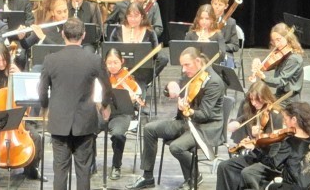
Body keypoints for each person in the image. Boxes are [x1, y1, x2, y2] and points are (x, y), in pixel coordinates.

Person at [126, 47, 225, 190]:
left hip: (206, 127)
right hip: (186, 122)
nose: (184, 69)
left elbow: (205, 114)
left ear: (198, 61)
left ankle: (195, 175)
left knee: (176, 147)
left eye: (187, 65)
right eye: (182, 65)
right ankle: (148, 177)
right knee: (149, 129)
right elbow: (174, 90)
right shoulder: (189, 75)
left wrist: (188, 110)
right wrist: (170, 87)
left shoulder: (213, 82)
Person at [40, 17, 111, 190]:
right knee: (83, 171)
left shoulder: (50, 60)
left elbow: (42, 91)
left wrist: (45, 107)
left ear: (63, 34)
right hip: (85, 122)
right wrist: (105, 105)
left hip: (59, 122)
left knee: (60, 171)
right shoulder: (94, 59)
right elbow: (107, 87)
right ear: (84, 35)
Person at [0, 43, 44, 185]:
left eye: (4, 60)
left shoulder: (15, 74)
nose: (1, 64)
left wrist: (20, 75)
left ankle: (31, 169)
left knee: (36, 137)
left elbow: (29, 93)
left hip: (17, 121)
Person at [215, 102, 310, 190]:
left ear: (294, 120)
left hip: (291, 187)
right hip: (306, 186)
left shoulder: (290, 143)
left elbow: (272, 163)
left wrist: (254, 148)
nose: (284, 122)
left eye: (285, 119)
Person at [102, 48, 145, 181]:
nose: (112, 66)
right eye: (109, 63)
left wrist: (132, 97)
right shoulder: (102, 76)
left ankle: (116, 166)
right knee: (87, 130)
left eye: (115, 62)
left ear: (122, 61)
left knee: (118, 135)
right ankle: (89, 163)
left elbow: (139, 99)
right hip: (102, 112)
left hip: (121, 115)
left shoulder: (128, 77)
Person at [107, 1, 169, 89]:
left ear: (142, 17)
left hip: (142, 70)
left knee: (162, 59)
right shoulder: (117, 31)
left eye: (136, 16)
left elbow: (155, 55)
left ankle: (140, 85)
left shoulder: (150, 32)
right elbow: (110, 51)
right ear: (126, 17)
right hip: (121, 68)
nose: (133, 19)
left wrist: (139, 48)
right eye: (130, 16)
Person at [250, 23, 304, 102]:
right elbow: (268, 65)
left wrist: (263, 77)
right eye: (274, 41)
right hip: (279, 95)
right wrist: (258, 62)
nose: (276, 44)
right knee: (252, 100)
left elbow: (281, 82)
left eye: (278, 40)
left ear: (288, 38)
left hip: (289, 99)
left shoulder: (294, 59)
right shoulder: (282, 54)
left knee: (260, 105)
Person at [19, 0, 71, 70]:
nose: (64, 15)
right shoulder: (45, 28)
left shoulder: (71, 27)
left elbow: (62, 50)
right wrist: (22, 38)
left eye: (65, 11)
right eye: (59, 12)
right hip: (47, 66)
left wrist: (43, 37)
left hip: (65, 65)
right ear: (52, 12)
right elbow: (26, 45)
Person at [225, 81, 283, 146]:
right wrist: (236, 122)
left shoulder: (275, 114)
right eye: (251, 99)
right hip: (246, 143)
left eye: (257, 100)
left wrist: (257, 136)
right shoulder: (247, 104)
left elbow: (272, 142)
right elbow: (244, 117)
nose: (253, 103)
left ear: (265, 97)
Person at [209, 0, 243, 68]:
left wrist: (221, 47)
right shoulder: (205, 19)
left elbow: (235, 46)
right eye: (215, 4)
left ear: (226, 6)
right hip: (207, 52)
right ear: (211, 3)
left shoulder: (231, 22)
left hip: (225, 54)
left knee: (225, 64)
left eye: (220, 5)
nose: (217, 7)